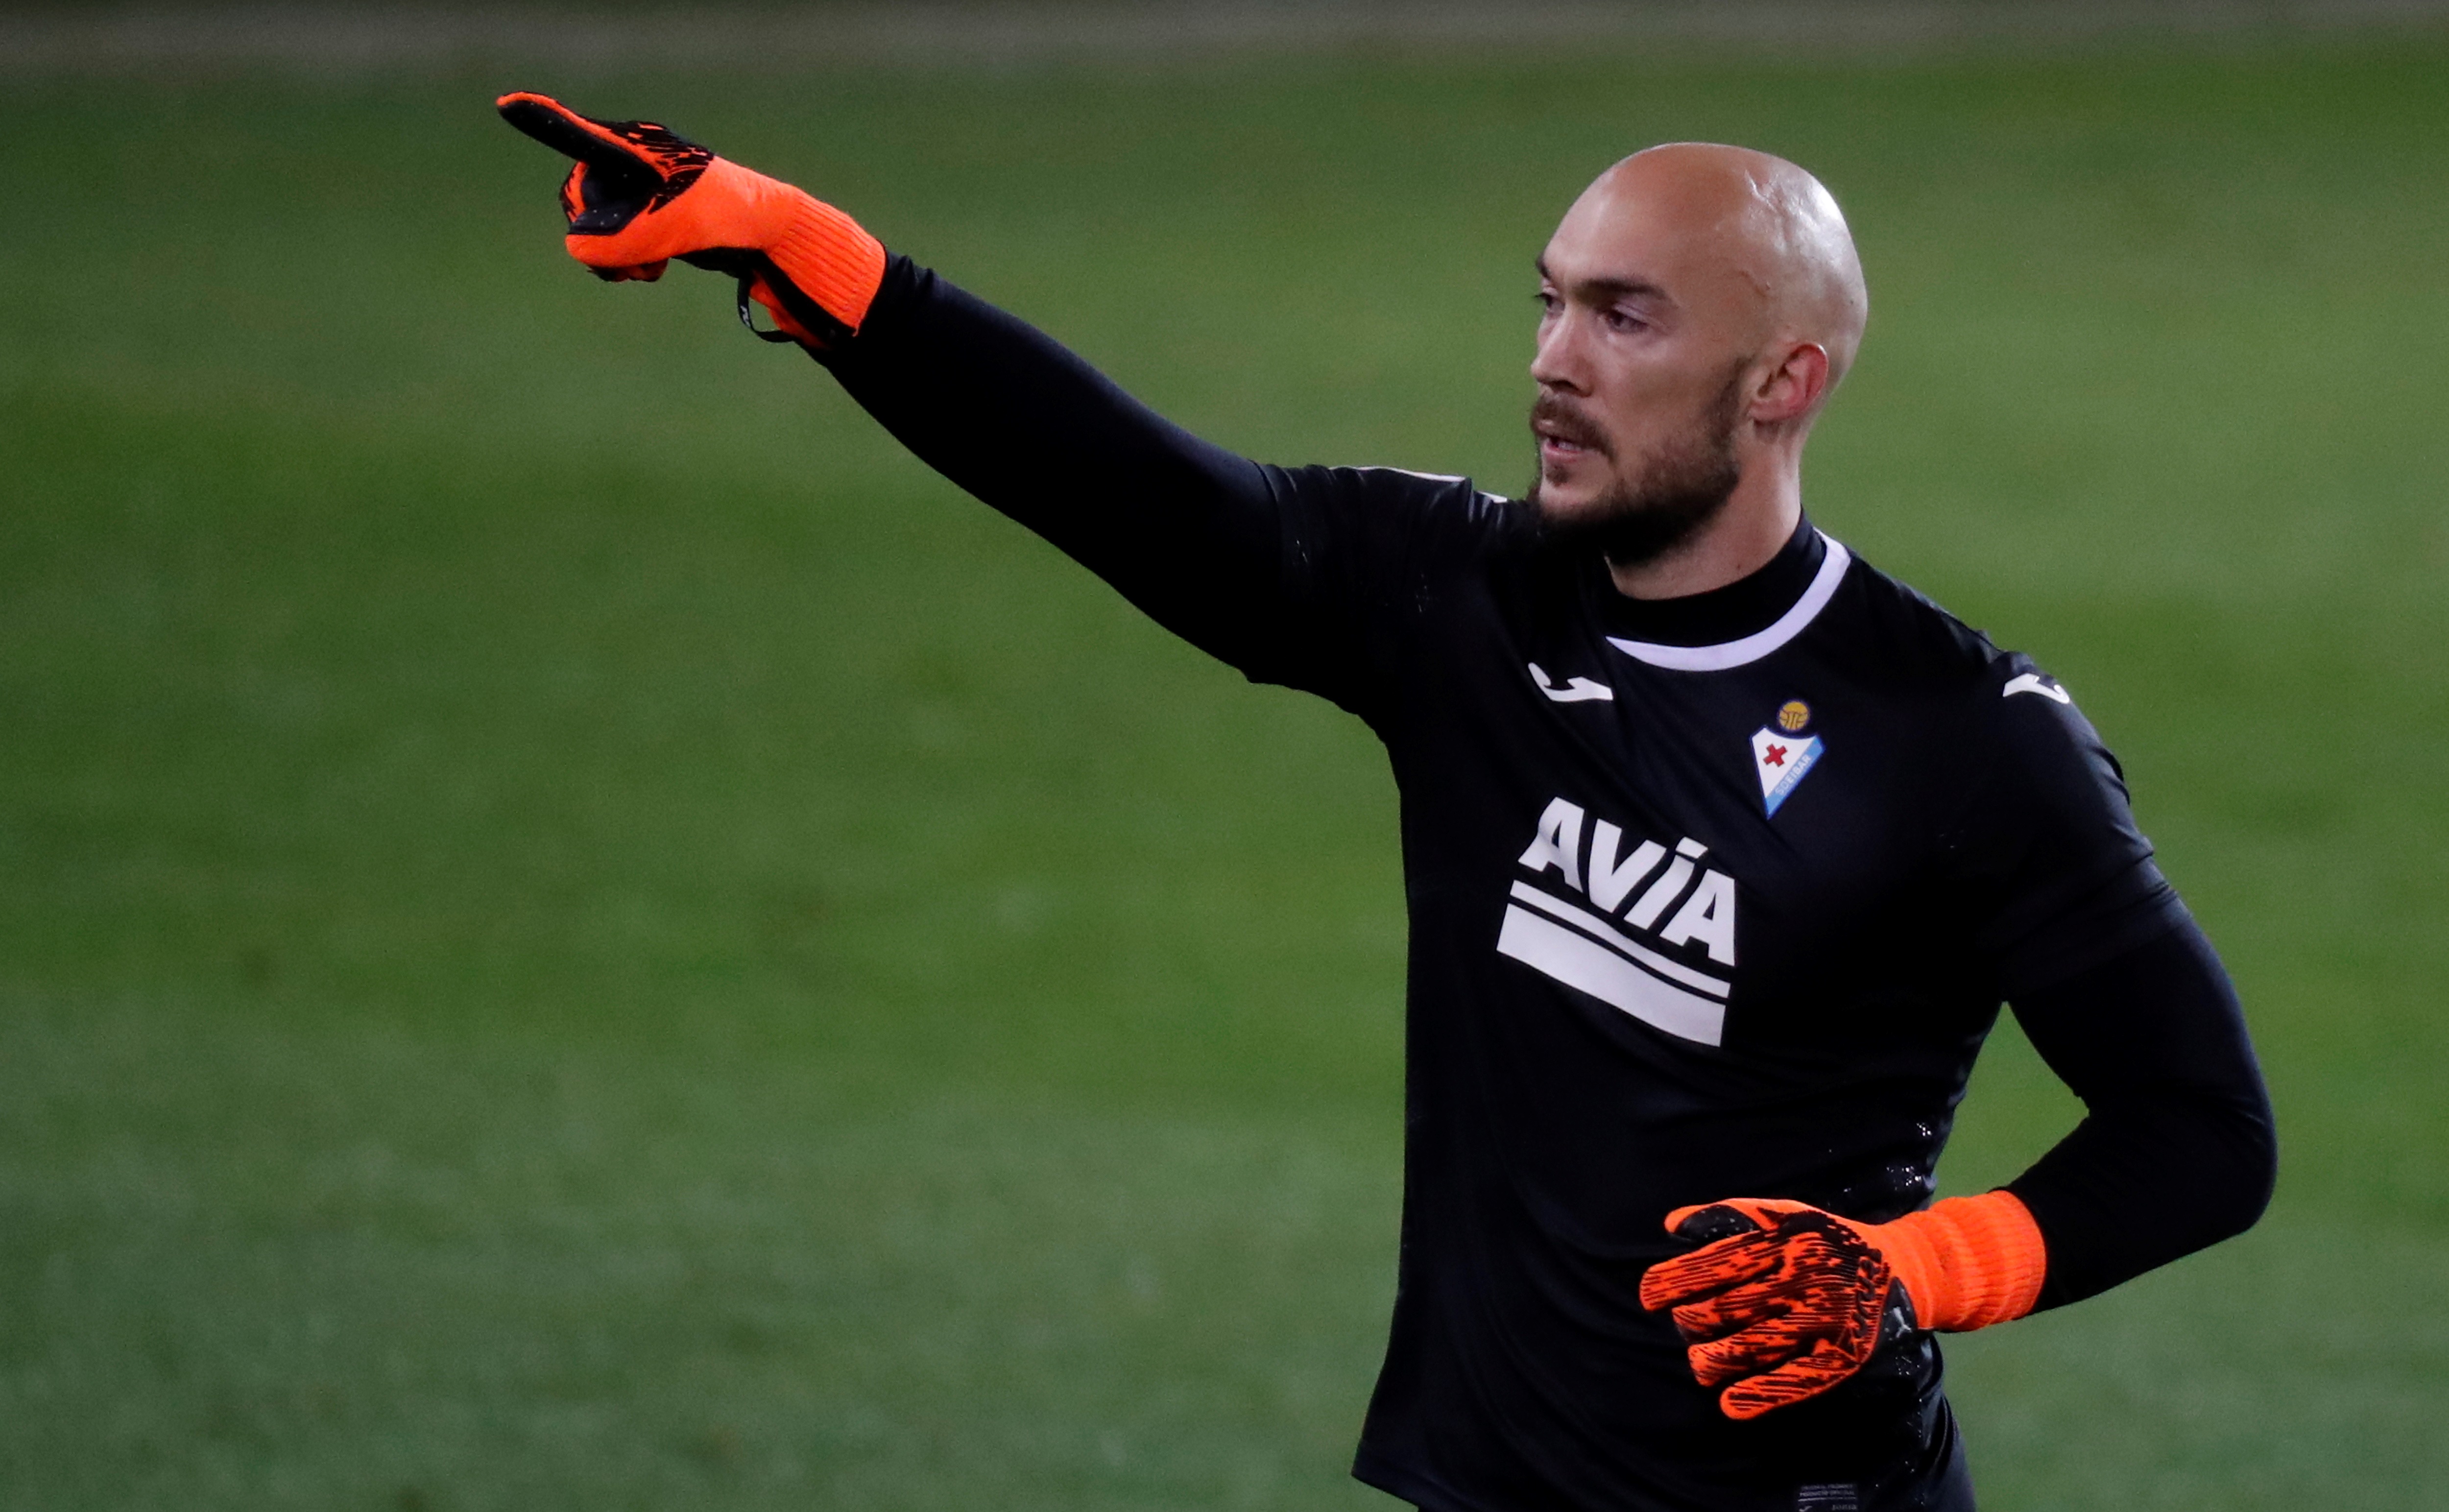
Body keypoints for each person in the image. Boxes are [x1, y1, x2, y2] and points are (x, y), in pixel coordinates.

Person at [496, 93, 2278, 1512]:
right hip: (1490, 1476)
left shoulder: (1964, 734)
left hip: (1795, 1493)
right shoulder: (1462, 602)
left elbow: (2203, 1126)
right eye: (1552, 297)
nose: (1553, 358)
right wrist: (806, 251)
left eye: (1624, 316)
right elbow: (1141, 498)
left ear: (1785, 381)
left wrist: (1913, 1269)